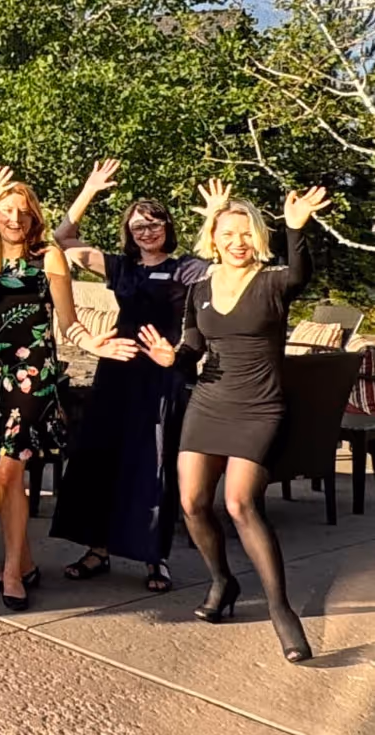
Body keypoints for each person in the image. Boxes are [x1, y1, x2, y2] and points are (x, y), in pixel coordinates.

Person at [138, 182, 330, 664]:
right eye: (228, 233)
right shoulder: (200, 289)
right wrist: (170, 359)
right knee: (192, 503)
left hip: (259, 406)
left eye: (246, 233)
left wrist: (296, 227)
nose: (237, 241)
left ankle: (281, 609)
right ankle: (222, 580)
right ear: (214, 237)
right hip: (209, 401)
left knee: (242, 502)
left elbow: (302, 272)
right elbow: (191, 352)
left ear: (257, 237)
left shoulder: (274, 281)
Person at [0, 166, 136, 611]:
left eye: (22, 211)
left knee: (8, 473)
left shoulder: (49, 256)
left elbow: (69, 322)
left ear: (33, 215)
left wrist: (91, 342)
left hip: (32, 377)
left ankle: (9, 571)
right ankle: (24, 562)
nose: (15, 219)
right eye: (6, 211)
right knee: (0, 479)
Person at [48, 160, 207, 593]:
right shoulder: (120, 266)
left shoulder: (186, 269)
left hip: (161, 376)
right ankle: (97, 549)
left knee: (153, 466)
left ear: (167, 227)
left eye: (154, 223)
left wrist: (212, 218)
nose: (146, 231)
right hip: (116, 373)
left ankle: (155, 558)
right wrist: (89, 190)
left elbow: (222, 267)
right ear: (129, 231)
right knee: (101, 460)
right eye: (138, 225)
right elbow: (60, 242)